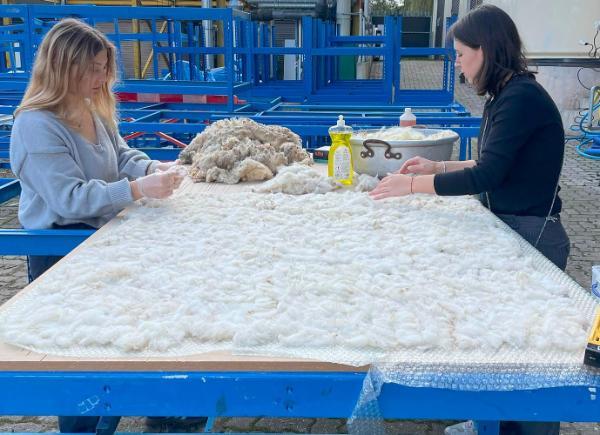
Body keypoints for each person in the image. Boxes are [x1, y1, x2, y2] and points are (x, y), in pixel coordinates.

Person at [370, 4, 567, 435]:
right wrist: (435, 168)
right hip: (512, 226)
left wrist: (411, 188)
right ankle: (490, 423)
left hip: (534, 234)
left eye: (461, 54)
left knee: (531, 354)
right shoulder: (506, 94)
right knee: (500, 344)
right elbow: (492, 163)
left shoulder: (521, 98)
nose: (457, 63)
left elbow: (489, 175)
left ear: (488, 49)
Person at [9, 18, 185, 432]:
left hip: (104, 238)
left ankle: (150, 406)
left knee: (128, 329)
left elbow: (121, 157)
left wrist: (153, 166)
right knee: (75, 349)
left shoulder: (91, 108)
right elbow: (67, 200)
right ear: (60, 67)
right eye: (90, 68)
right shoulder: (36, 124)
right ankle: (80, 428)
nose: (101, 77)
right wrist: (138, 189)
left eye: (104, 66)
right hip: (62, 248)